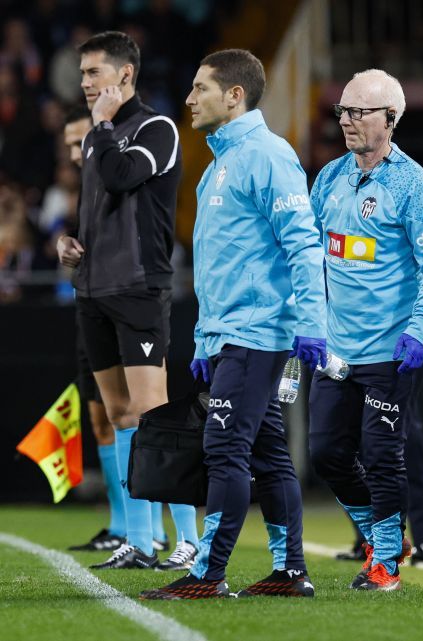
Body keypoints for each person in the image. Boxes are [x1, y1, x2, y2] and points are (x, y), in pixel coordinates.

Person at [141, 49, 327, 600]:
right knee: (267, 455)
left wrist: (311, 324)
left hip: (258, 333)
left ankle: (207, 573)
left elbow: (303, 244)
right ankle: (290, 571)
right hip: (231, 335)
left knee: (223, 450)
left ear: (234, 95)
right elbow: (220, 262)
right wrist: (204, 337)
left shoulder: (268, 156)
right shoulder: (219, 161)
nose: (189, 98)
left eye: (200, 88)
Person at [57, 31, 198, 570]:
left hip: (139, 288)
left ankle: (186, 537)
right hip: (93, 288)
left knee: (153, 412)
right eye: (84, 74)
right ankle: (139, 540)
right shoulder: (102, 134)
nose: (86, 83)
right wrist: (72, 243)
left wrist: (102, 127)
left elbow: (120, 178)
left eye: (94, 73)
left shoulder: (155, 128)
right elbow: (99, 207)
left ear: (126, 76)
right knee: (119, 414)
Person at [308, 68, 423, 592]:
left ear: (391, 119)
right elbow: (309, 256)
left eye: (359, 112)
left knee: (383, 455)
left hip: (392, 349)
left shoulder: (415, 186)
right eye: (343, 111)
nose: (346, 121)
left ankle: (386, 560)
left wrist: (420, 328)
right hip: (337, 350)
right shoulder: (328, 179)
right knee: (326, 453)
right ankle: (381, 535)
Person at [60, 107, 125, 553]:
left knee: (128, 415)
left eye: (77, 141)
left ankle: (148, 530)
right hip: (89, 307)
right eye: (66, 144)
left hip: (120, 307)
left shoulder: (116, 179)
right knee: (100, 419)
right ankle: (122, 525)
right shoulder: (84, 189)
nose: (71, 151)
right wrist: (66, 244)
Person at [334, 394, 423, 566]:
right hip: (362, 381)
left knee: (411, 459)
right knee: (354, 462)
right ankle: (367, 541)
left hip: (396, 384)